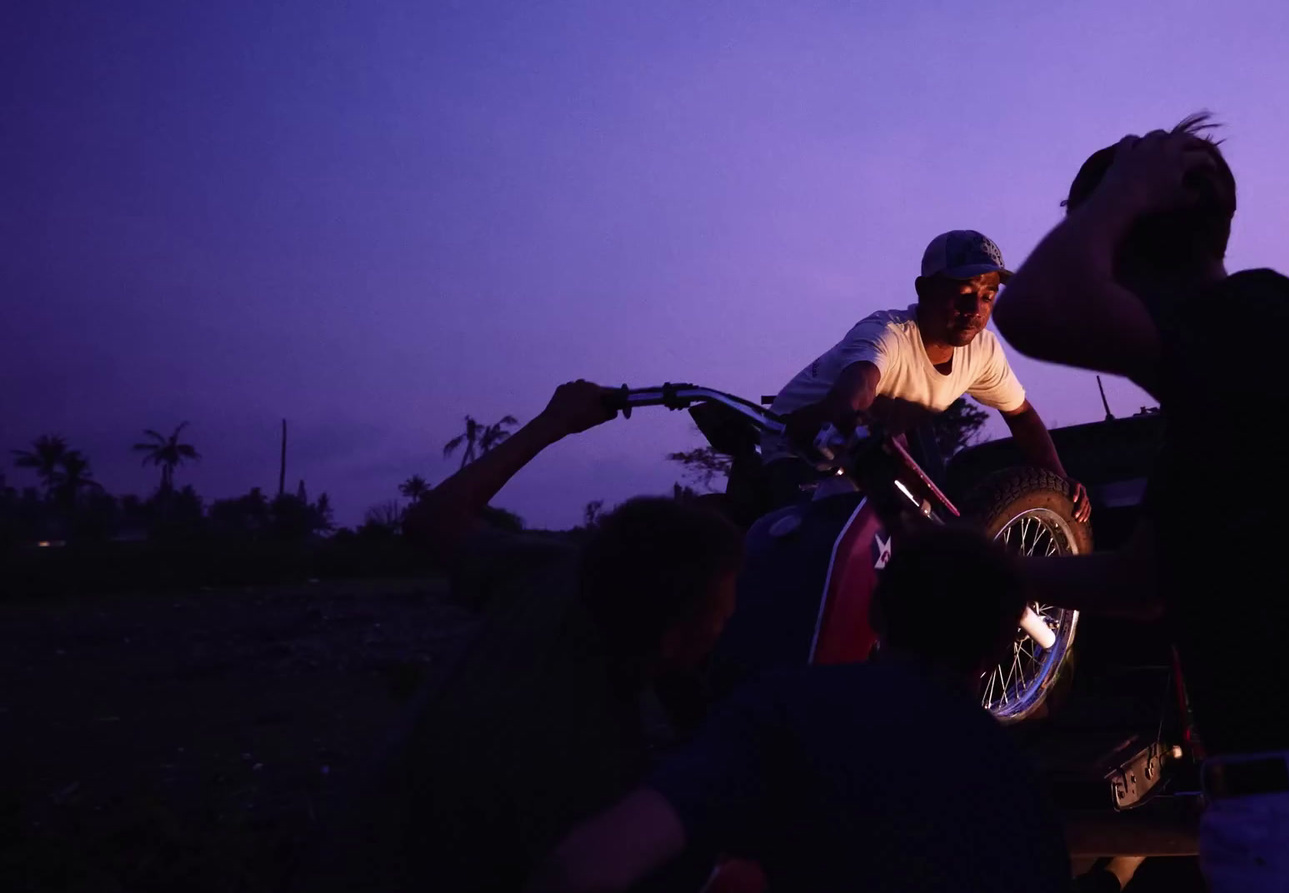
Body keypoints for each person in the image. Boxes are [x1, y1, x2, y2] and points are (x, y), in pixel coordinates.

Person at [991, 113, 1289, 891]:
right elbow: (1141, 586)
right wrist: (998, 566)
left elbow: (1032, 308)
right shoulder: (1234, 388)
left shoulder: (1257, 320)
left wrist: (1122, 190)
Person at [287, 381, 743, 893]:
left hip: (349, 849)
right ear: (673, 642)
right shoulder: (601, 780)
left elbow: (432, 518)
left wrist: (554, 423)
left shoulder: (551, 573)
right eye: (720, 618)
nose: (725, 628)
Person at [532, 526, 1143, 893]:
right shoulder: (1018, 786)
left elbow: (589, 864)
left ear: (876, 616)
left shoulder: (785, 710)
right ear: (994, 652)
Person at [759, 229, 1089, 520]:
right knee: (818, 541)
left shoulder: (983, 351)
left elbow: (1021, 415)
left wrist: (1059, 482)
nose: (975, 310)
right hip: (799, 444)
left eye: (987, 297)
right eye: (963, 294)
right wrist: (854, 414)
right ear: (924, 290)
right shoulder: (886, 333)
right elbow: (857, 388)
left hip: (873, 454)